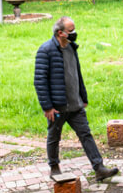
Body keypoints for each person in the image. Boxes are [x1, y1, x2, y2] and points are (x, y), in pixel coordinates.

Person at [34, 16, 118, 181]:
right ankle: (54, 167)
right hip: (57, 107)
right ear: (60, 33)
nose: (74, 33)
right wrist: (48, 107)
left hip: (75, 104)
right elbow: (40, 81)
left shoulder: (72, 48)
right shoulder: (46, 50)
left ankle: (99, 167)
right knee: (54, 136)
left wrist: (83, 97)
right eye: (71, 31)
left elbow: (77, 74)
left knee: (86, 134)